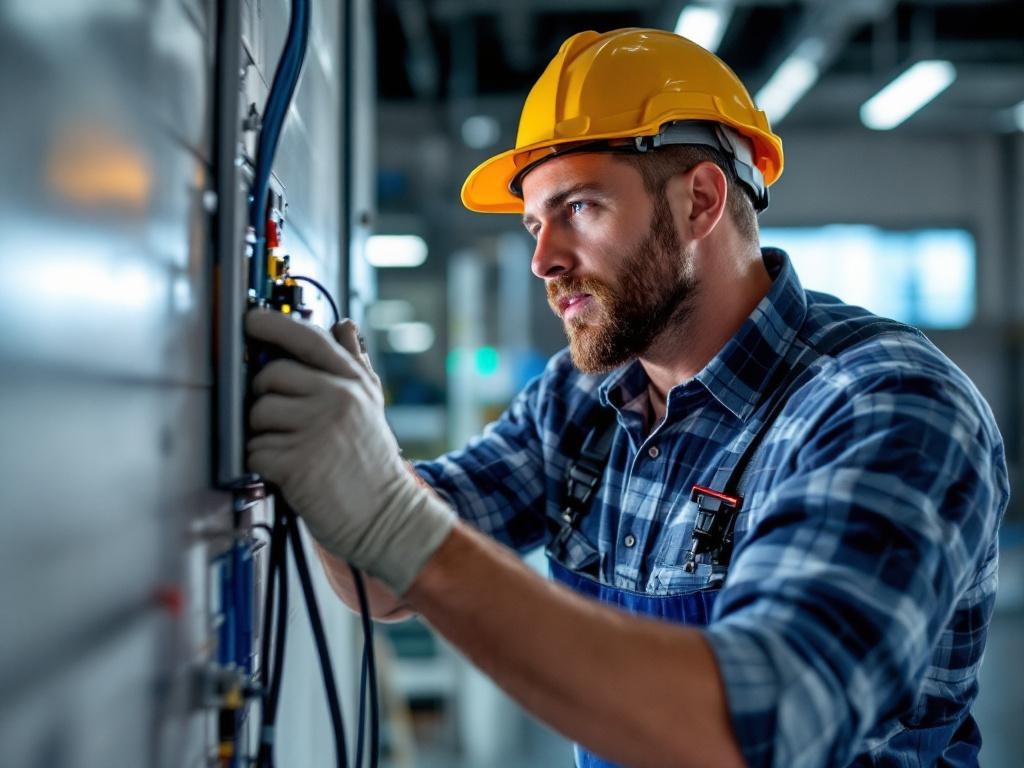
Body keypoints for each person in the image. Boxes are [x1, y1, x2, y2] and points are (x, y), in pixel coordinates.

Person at [246, 28, 1008, 768]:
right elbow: (382, 579)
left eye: (579, 207)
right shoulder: (583, 399)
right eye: (534, 224)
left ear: (699, 201)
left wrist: (392, 516)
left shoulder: (884, 404)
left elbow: (760, 728)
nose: (544, 260)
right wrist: (343, 465)